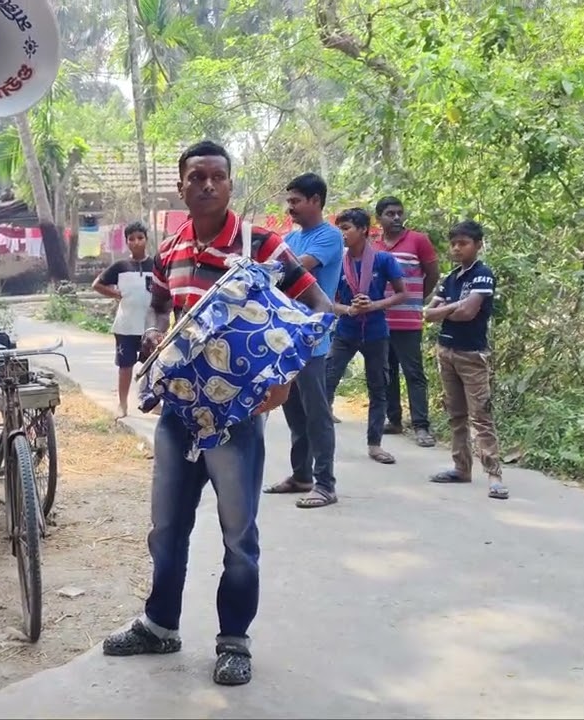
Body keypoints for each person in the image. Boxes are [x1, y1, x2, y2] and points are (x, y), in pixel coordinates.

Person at [102, 140, 332, 686]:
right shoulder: (174, 246)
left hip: (236, 419)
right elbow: (161, 300)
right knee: (167, 528)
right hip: (178, 412)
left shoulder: (264, 245)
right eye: (196, 177)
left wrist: (285, 377)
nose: (207, 185)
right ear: (180, 186)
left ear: (231, 184)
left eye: (218, 177)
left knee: (238, 536)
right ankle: (160, 626)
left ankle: (234, 641)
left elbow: (318, 307)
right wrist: (157, 330)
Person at [264, 172, 343, 509]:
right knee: (294, 411)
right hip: (286, 338)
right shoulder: (292, 239)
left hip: (311, 338)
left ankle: (326, 483)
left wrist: (268, 267)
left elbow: (294, 270)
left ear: (315, 200)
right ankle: (302, 475)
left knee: (317, 414)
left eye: (296, 200)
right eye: (289, 200)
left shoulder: (328, 237)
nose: (290, 207)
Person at [422, 220, 507, 500]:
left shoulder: (483, 275)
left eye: (464, 243)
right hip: (446, 351)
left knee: (480, 415)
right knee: (455, 414)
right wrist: (454, 306)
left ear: (478, 245)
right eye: (454, 243)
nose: (457, 248)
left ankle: (494, 475)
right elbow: (428, 314)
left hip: (471, 353)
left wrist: (447, 309)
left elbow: (469, 312)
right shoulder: (452, 277)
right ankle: (461, 467)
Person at [324, 208, 408, 465]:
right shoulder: (338, 262)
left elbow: (401, 294)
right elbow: (328, 302)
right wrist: (348, 309)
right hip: (346, 330)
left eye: (347, 228)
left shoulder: (383, 261)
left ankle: (375, 444)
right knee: (327, 379)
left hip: (375, 331)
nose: (342, 234)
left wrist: (373, 305)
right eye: (340, 229)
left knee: (377, 387)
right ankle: (321, 440)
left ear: (363, 230)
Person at [373, 196, 440, 446]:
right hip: (380, 321)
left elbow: (433, 274)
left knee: (414, 373)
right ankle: (394, 419)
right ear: (379, 218)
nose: (397, 217)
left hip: (408, 320)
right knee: (386, 372)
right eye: (390, 213)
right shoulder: (375, 247)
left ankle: (421, 426)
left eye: (400, 213)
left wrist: (416, 298)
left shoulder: (418, 240)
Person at [92, 220, 155, 418]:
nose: (136, 242)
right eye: (132, 239)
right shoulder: (120, 266)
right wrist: (114, 294)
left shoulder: (156, 265)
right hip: (126, 326)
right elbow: (97, 284)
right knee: (125, 367)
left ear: (146, 239)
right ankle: (122, 404)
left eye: (140, 238)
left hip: (151, 327)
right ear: (127, 242)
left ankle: (151, 402)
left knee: (154, 366)